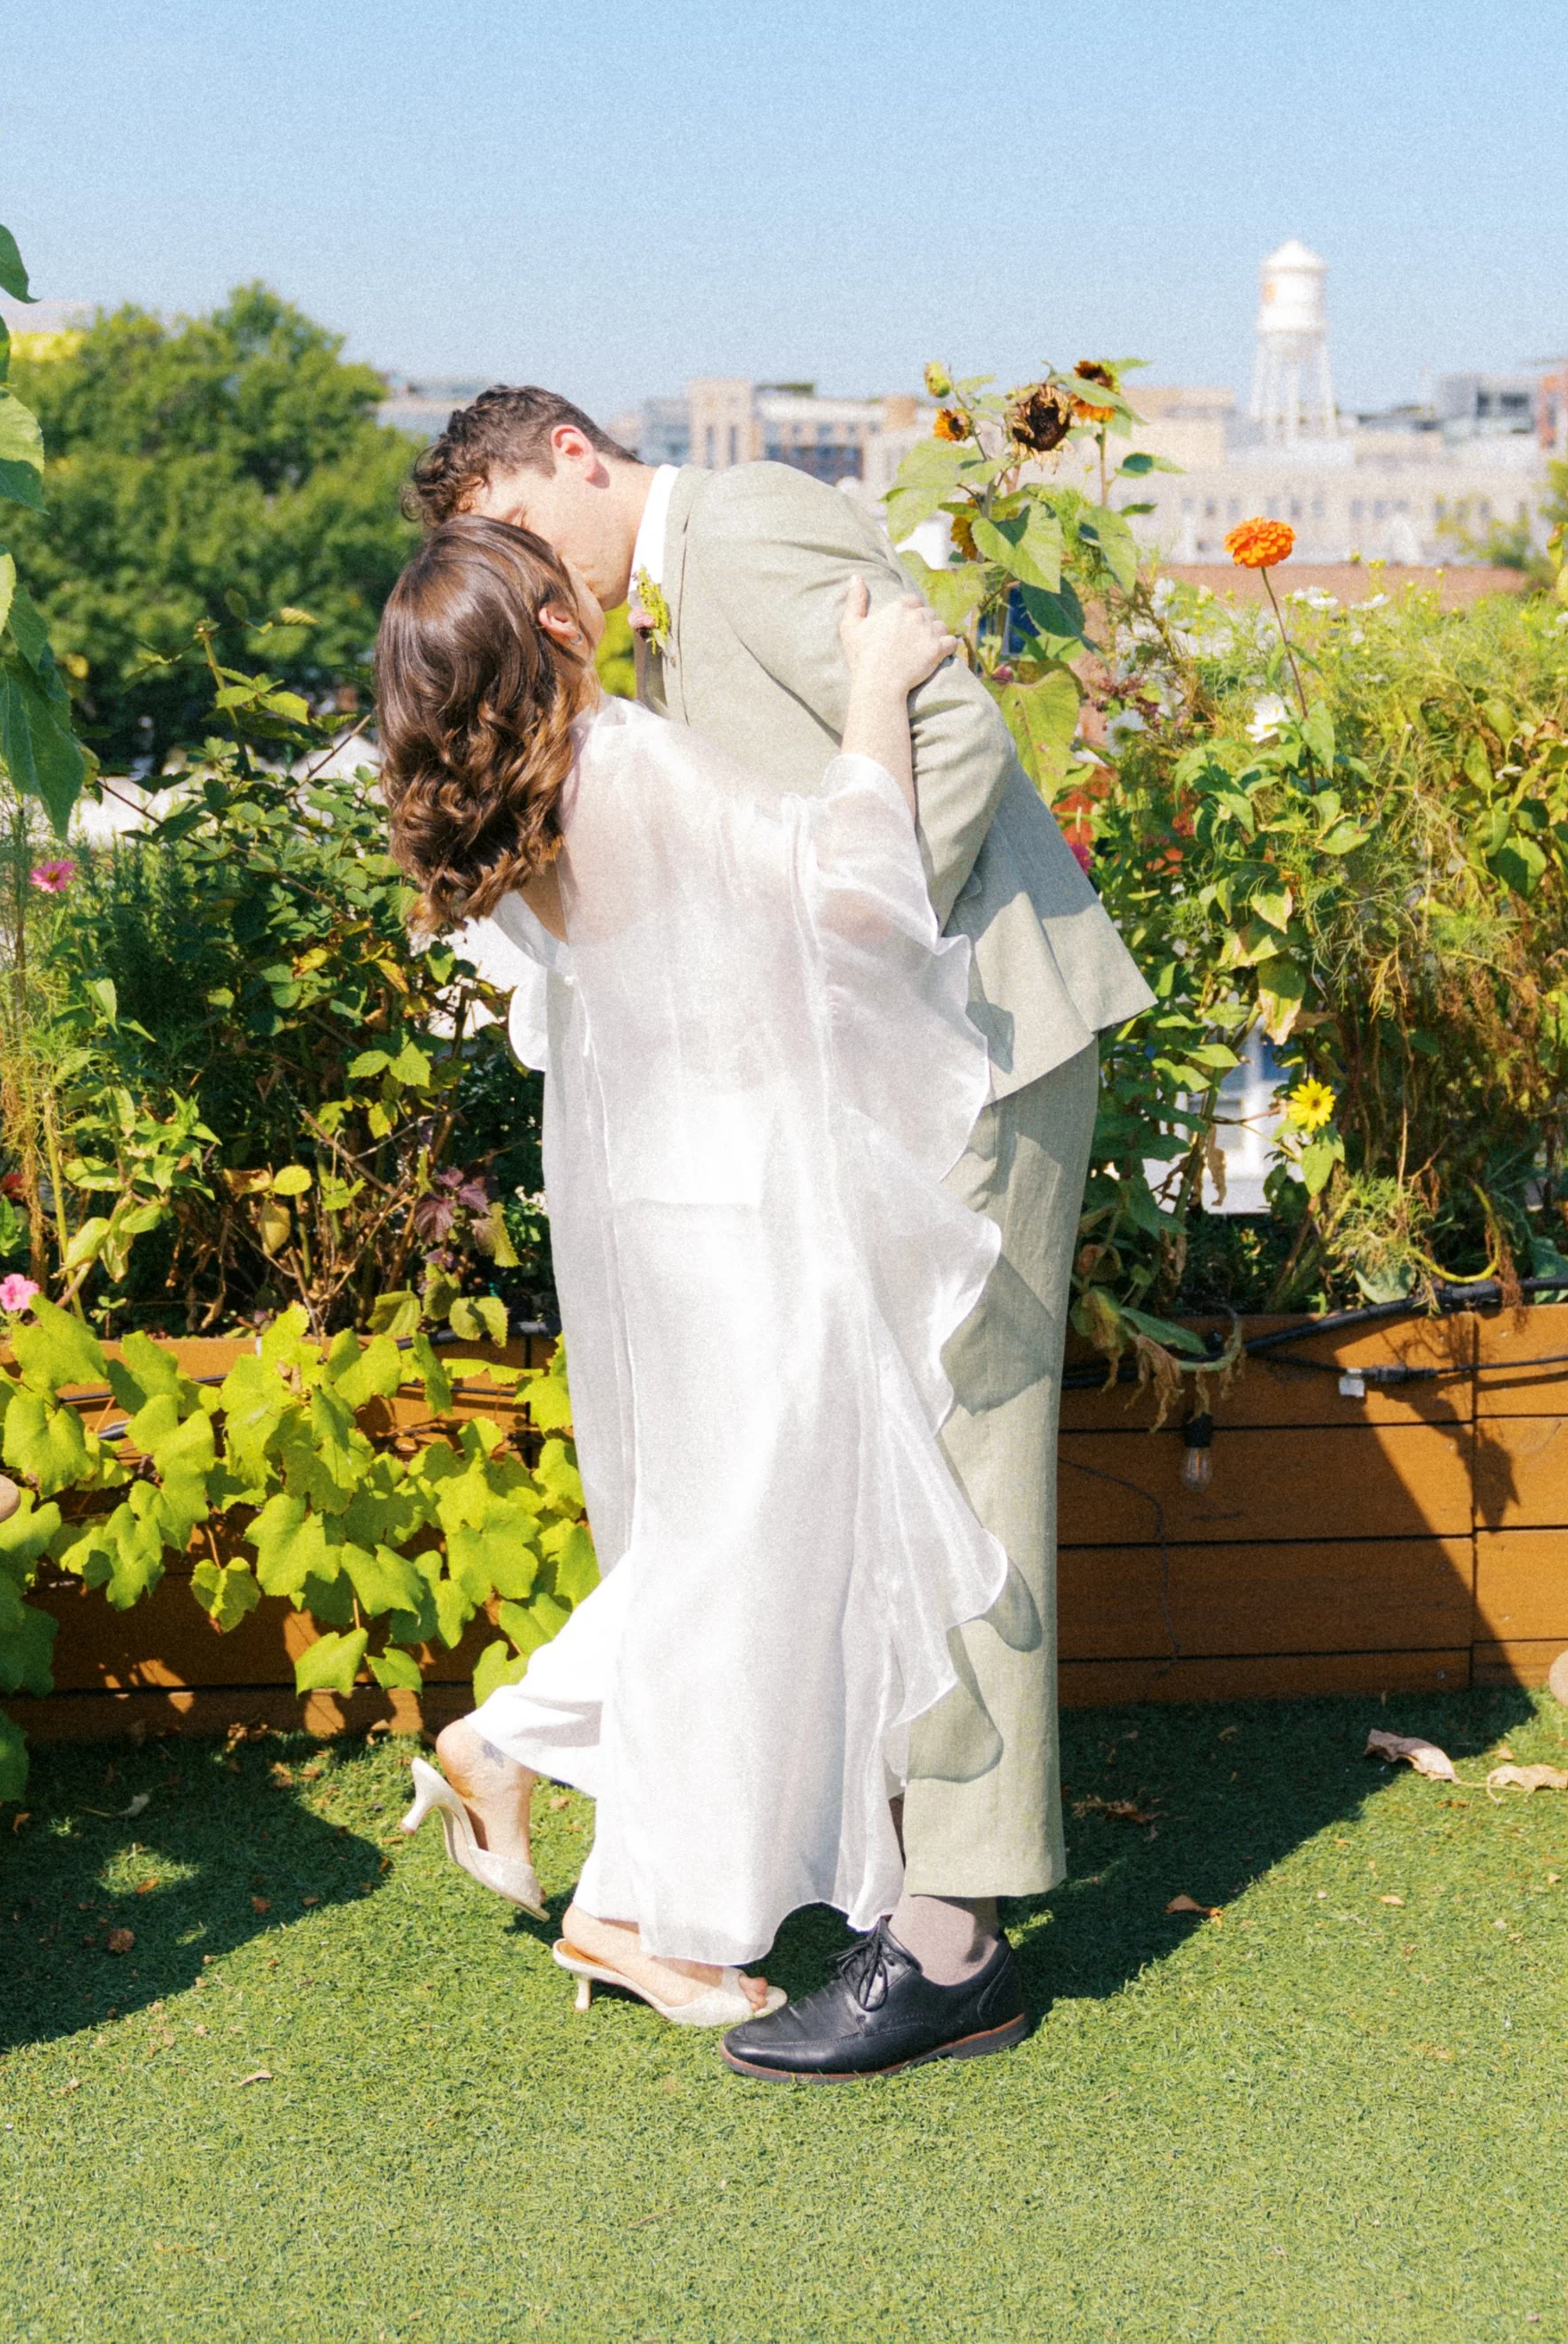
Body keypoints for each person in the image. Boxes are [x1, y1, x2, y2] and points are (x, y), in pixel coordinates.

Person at [404, 388, 1151, 2082]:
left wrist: (841, 966)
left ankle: (954, 1939)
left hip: (975, 1040)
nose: (524, 565)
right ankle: (876, 1857)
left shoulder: (739, 528)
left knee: (957, 1462)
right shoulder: (649, 635)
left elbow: (948, 751)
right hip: (888, 1075)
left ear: (578, 456)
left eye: (522, 520)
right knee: (863, 1454)